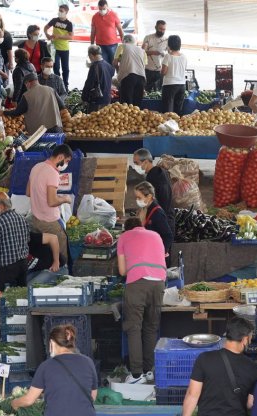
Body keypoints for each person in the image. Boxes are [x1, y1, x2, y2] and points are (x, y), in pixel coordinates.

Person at [117, 217, 166, 384]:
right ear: (142, 226)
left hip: (137, 282)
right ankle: (149, 371)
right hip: (159, 283)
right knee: (151, 328)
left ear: (126, 229)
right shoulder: (156, 235)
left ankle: (137, 375)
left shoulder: (124, 237)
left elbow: (122, 271)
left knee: (134, 328)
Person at [12, 324, 98, 415]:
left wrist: (14, 403)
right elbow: (92, 396)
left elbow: (29, 400)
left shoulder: (46, 366)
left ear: (52, 343)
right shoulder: (88, 362)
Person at [182, 317, 257, 416]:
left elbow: (192, 394)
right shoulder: (253, 367)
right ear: (245, 339)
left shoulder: (204, 359)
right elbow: (250, 403)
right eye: (250, 338)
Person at [27, 144, 72, 261]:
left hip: (35, 219)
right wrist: (65, 199)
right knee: (61, 257)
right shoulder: (53, 173)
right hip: (50, 222)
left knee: (45, 255)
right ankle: (62, 275)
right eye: (67, 161)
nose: (66, 165)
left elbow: (28, 192)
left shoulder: (36, 167)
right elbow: (52, 202)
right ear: (60, 157)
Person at [0, 192, 30, 289]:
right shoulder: (22, 218)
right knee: (21, 295)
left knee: (6, 297)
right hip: (23, 264)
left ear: (0, 206)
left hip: (8, 267)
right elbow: (27, 238)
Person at [132, 148, 174, 238]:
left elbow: (154, 201)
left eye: (136, 163)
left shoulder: (153, 177)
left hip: (161, 223)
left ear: (146, 162)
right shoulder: (161, 172)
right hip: (166, 219)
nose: (135, 166)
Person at [134, 182, 173, 254]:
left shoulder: (157, 213)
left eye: (139, 198)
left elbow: (168, 236)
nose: (137, 200)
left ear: (149, 197)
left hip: (155, 253)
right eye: (136, 197)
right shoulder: (144, 209)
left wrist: (161, 252)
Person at [44, 4, 73, 89]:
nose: (59, 12)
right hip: (54, 48)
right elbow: (45, 27)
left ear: (66, 12)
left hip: (64, 48)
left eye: (62, 11)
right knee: (56, 67)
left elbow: (71, 37)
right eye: (59, 10)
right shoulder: (54, 20)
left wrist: (59, 36)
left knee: (66, 68)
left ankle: (65, 85)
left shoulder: (69, 24)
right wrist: (47, 34)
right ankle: (57, 84)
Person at [114, 34, 147, 107]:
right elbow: (144, 66)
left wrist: (118, 71)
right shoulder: (142, 51)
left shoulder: (122, 46)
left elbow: (115, 63)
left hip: (128, 77)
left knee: (127, 104)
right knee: (137, 105)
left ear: (124, 41)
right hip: (141, 78)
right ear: (134, 42)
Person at [90, 0, 123, 66]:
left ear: (107, 7)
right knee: (103, 64)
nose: (102, 10)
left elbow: (120, 30)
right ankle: (108, 76)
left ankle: (117, 76)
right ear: (98, 7)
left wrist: (124, 43)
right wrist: (92, 44)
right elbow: (93, 31)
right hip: (100, 45)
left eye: (104, 9)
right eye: (100, 9)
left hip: (112, 45)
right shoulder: (95, 17)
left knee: (115, 63)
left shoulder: (114, 15)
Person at [82, 45, 113, 113]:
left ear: (91, 55)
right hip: (107, 98)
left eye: (89, 56)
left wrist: (84, 98)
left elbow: (89, 84)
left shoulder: (94, 67)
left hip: (97, 100)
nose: (89, 58)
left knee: (94, 121)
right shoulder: (108, 65)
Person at [162, 35, 187, 114]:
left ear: (169, 45)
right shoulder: (184, 57)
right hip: (181, 85)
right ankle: (177, 125)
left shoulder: (168, 56)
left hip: (170, 85)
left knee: (168, 111)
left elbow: (164, 72)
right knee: (178, 111)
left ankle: (168, 126)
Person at [142, 20, 167, 92]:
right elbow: (142, 52)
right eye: (160, 29)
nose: (162, 31)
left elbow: (170, 54)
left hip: (160, 71)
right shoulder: (148, 38)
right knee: (146, 91)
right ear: (155, 27)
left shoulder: (166, 40)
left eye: (164, 29)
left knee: (158, 93)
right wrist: (153, 52)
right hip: (148, 70)